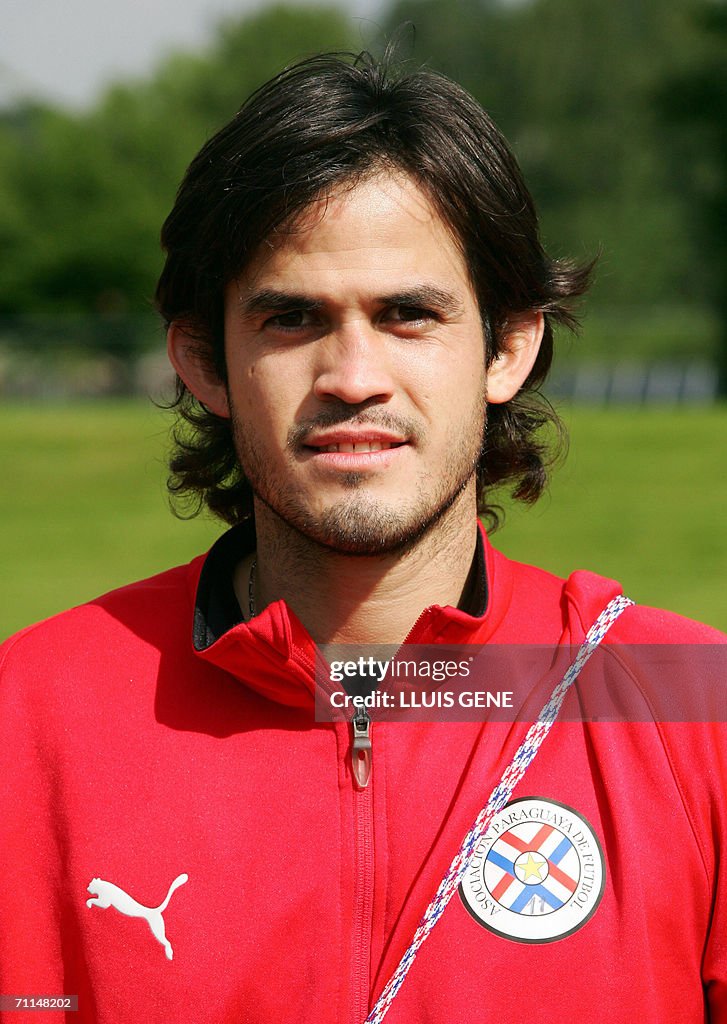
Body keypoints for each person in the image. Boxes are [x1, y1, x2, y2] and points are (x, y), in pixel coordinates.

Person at [1, 48, 725, 1024]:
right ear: (206, 364)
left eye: (408, 315)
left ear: (508, 348)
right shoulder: (28, 717)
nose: (353, 376)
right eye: (293, 319)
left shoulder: (693, 712)